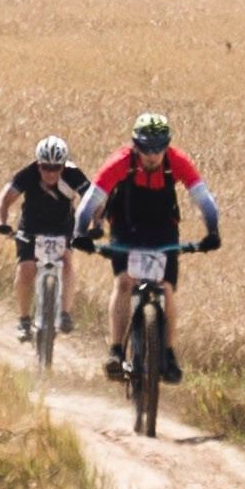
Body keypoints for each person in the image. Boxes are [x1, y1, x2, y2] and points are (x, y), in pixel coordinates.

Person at [75, 112, 218, 385]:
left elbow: (204, 199)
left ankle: (168, 352)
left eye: (158, 148)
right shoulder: (120, 162)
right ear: (134, 145)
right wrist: (81, 233)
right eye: (144, 148)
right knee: (124, 282)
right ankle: (116, 350)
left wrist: (212, 231)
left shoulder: (176, 162)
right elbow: (91, 200)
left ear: (167, 145)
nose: (151, 155)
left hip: (163, 229)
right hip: (125, 228)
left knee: (165, 288)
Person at [0, 135, 85, 336]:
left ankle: (65, 313)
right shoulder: (28, 174)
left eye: (56, 168)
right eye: (45, 167)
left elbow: (92, 199)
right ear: (38, 164)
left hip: (62, 228)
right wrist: (1, 222)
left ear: (64, 165)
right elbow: (4, 199)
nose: (51, 173)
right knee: (26, 269)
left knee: (67, 261)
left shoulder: (73, 174)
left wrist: (95, 223)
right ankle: (24, 319)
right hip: (31, 228)